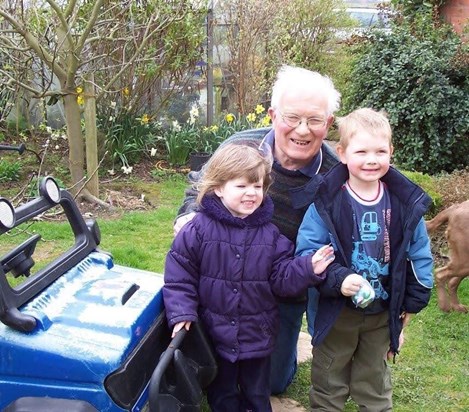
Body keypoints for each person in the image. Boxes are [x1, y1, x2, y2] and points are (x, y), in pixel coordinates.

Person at [174, 65, 341, 394]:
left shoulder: (335, 176)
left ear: (329, 124)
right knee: (207, 369)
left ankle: (286, 349)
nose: (303, 130)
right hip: (219, 279)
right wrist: (187, 216)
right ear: (273, 115)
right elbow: (199, 188)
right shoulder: (240, 146)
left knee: (272, 383)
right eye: (292, 117)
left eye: (315, 120)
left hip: (280, 289)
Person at [163, 143, 334, 411]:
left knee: (257, 393)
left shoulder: (270, 234)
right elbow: (179, 275)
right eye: (241, 186)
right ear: (218, 188)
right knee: (222, 393)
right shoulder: (197, 229)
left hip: (258, 333)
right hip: (215, 331)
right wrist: (182, 312)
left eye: (257, 186)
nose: (251, 193)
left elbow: (281, 278)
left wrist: (307, 268)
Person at [296, 108, 434, 410]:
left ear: (391, 152)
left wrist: (413, 301)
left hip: (382, 314)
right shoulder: (327, 203)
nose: (372, 159)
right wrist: (340, 277)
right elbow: (308, 252)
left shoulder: (404, 204)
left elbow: (419, 253)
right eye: (362, 151)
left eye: (380, 151)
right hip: (336, 314)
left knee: (374, 381)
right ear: (342, 153)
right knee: (329, 379)